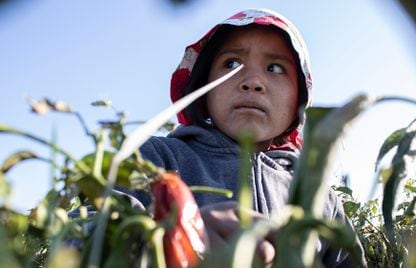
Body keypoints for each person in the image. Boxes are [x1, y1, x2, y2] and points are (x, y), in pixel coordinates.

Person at [128, 8, 366, 267]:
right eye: (231, 63)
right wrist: (178, 237)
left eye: (275, 68)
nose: (252, 82)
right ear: (203, 87)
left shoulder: (319, 197)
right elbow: (93, 234)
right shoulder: (157, 157)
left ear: (299, 98)